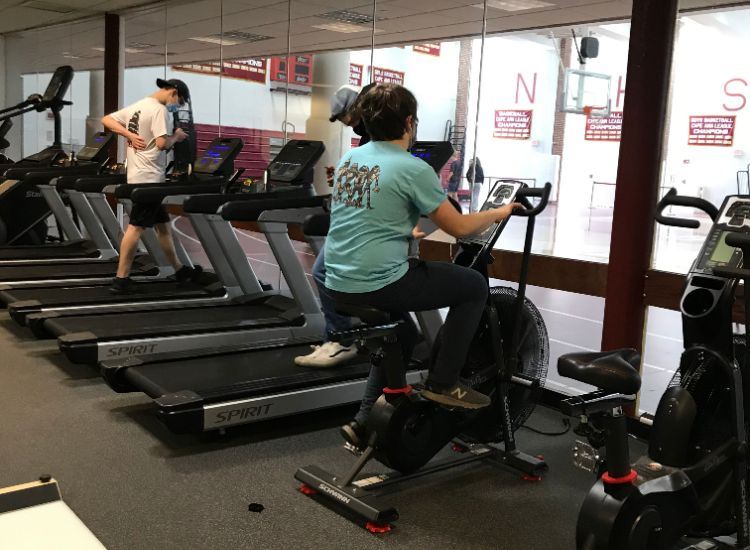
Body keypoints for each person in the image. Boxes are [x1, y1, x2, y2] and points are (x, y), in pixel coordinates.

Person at [323, 84, 520, 448]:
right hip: (379, 283)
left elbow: (367, 212)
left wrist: (403, 228)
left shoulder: (351, 159)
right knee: (473, 286)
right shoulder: (412, 168)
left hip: (337, 282)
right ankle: (444, 382)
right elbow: (459, 227)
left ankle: (364, 421)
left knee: (400, 335)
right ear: (410, 123)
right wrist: (500, 211)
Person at [294, 84, 374, 368]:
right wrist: (341, 177)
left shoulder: (377, 140)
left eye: (344, 116)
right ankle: (339, 336)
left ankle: (343, 339)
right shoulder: (366, 141)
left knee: (324, 271)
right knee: (324, 272)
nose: (344, 123)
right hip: (352, 220)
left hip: (364, 224)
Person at [101, 78, 198, 294]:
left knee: (163, 227)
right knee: (136, 227)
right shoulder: (159, 110)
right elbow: (163, 143)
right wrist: (177, 136)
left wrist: (128, 135)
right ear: (173, 92)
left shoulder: (138, 106)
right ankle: (121, 278)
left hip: (138, 175)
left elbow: (106, 119)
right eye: (178, 101)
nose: (176, 106)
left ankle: (180, 270)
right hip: (149, 179)